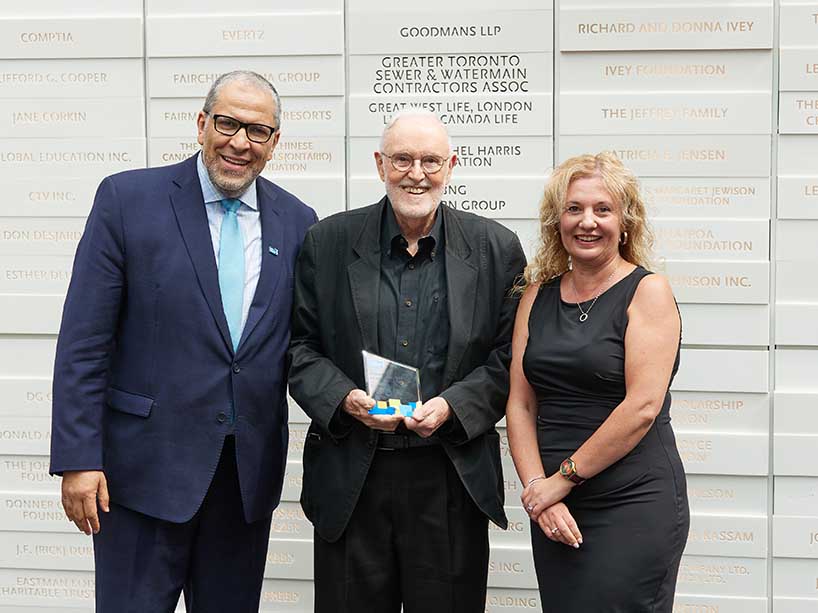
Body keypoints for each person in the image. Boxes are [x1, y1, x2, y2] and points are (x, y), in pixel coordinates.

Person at [49, 70, 317, 612]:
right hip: (140, 478)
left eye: (258, 131)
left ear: (274, 143)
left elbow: (306, 344)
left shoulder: (298, 222)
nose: (240, 142)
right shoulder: (127, 199)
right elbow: (84, 342)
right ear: (201, 124)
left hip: (243, 485)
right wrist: (79, 457)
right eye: (227, 123)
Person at [288, 108, 526, 613]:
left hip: (449, 475)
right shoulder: (326, 243)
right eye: (402, 159)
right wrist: (344, 399)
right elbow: (299, 347)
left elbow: (509, 360)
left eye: (430, 160)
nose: (416, 173)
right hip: (353, 474)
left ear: (451, 165)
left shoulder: (496, 249)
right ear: (379, 164)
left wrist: (453, 407)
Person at [505, 152, 689, 612]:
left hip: (632, 499)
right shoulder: (536, 294)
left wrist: (561, 480)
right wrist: (538, 493)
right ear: (557, 221)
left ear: (625, 221)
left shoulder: (648, 291)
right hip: (554, 506)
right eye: (574, 209)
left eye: (602, 210)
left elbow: (642, 407)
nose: (588, 222)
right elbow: (519, 405)